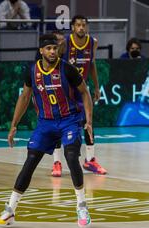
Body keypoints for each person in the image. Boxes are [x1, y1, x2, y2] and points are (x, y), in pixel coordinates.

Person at [0, 34, 93, 228]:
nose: (52, 52)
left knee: (71, 157)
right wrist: (13, 125)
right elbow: (24, 98)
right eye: (48, 49)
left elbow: (85, 92)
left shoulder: (67, 69)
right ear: (41, 51)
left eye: (55, 48)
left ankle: (82, 206)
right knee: (30, 161)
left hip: (69, 120)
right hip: (45, 123)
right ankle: (10, 210)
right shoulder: (32, 71)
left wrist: (88, 120)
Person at [53, 15, 106, 177]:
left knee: (88, 121)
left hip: (82, 89)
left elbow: (92, 65)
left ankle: (90, 160)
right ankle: (57, 162)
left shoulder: (93, 42)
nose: (81, 28)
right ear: (73, 28)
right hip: (65, 90)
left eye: (84, 25)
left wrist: (96, 87)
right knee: (59, 124)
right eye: (78, 25)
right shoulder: (65, 44)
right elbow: (55, 64)